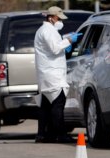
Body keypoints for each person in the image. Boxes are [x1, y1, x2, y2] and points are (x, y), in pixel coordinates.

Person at [34, 6, 81, 143]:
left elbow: (53, 46)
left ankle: (43, 135)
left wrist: (65, 40)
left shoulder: (45, 30)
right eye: (58, 18)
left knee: (46, 106)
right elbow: (55, 48)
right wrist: (69, 41)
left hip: (47, 73)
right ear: (51, 18)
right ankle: (61, 134)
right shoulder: (47, 31)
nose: (60, 21)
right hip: (52, 74)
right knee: (58, 104)